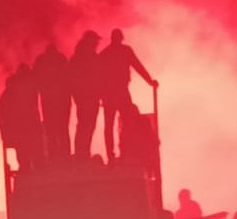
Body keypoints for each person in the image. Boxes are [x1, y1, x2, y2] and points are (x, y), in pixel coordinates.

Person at [97, 28, 157, 162]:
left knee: (113, 125)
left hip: (111, 94)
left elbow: (98, 77)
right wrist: (149, 81)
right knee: (127, 123)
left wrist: (149, 81)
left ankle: (114, 155)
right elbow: (137, 66)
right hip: (119, 92)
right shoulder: (124, 51)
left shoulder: (105, 54)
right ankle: (124, 153)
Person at [0, 62, 46, 172]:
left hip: (21, 128)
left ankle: (27, 172)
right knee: (36, 154)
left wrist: (4, 129)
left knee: (24, 157)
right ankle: (37, 170)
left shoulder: (13, 88)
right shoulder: (32, 85)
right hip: (30, 126)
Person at [69, 31, 106, 161]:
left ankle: (82, 153)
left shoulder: (78, 58)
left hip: (86, 98)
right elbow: (98, 77)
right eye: (95, 41)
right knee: (87, 126)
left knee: (85, 126)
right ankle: (82, 153)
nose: (97, 44)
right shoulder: (89, 58)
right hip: (88, 98)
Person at [34, 43, 73, 162]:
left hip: (48, 101)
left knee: (51, 129)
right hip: (62, 100)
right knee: (63, 129)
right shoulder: (61, 59)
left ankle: (53, 156)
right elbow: (69, 78)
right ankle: (65, 155)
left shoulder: (41, 61)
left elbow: (35, 79)